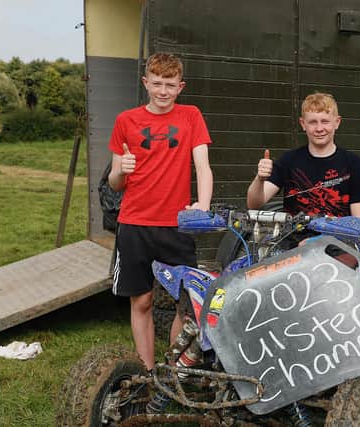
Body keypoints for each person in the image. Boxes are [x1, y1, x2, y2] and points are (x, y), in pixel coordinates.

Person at [108, 52, 213, 371]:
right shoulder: (126, 120)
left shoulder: (191, 115)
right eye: (156, 84)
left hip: (176, 225)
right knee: (142, 301)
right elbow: (115, 183)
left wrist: (203, 205)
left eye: (170, 84)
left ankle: (173, 372)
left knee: (186, 306)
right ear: (145, 83)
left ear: (180, 86)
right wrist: (121, 170)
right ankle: (147, 372)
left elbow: (203, 167)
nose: (163, 91)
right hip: (135, 223)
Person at [247, 92, 360, 220]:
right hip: (292, 239)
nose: (319, 128)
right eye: (313, 122)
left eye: (325, 121)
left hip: (337, 239)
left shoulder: (353, 163)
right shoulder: (288, 160)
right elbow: (254, 204)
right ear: (303, 124)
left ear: (337, 122)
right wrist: (260, 179)